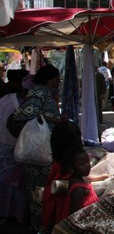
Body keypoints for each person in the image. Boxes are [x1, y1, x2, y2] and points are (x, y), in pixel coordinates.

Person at [0, 70, 31, 225]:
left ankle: (13, 213)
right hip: (8, 146)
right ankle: (10, 214)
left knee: (15, 182)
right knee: (10, 182)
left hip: (15, 146)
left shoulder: (10, 100)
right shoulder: (7, 101)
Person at [10, 64, 64, 134]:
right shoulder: (39, 91)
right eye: (57, 78)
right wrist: (56, 120)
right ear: (50, 80)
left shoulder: (45, 91)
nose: (59, 81)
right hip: (39, 135)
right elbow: (32, 115)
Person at [57, 146, 99, 223]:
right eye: (81, 164)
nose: (87, 166)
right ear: (71, 168)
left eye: (87, 161)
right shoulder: (79, 189)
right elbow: (74, 216)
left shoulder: (76, 178)